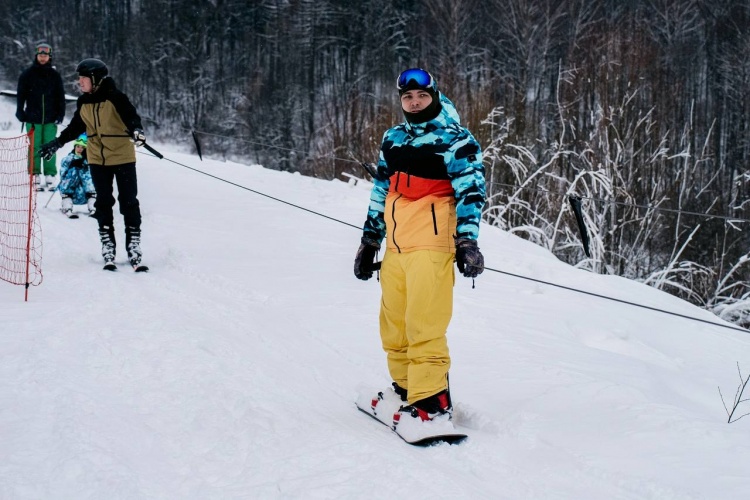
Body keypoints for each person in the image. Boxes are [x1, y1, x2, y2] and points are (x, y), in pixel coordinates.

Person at [354, 68, 486, 431]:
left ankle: (432, 402)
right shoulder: (393, 138)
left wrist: (467, 241)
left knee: (424, 323)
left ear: (435, 96)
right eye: (408, 98)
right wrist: (369, 241)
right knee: (393, 325)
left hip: (431, 243)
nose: (414, 102)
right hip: (397, 247)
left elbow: (471, 193)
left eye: (421, 96)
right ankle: (407, 387)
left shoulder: (456, 140)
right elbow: (381, 191)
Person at [38, 58, 147, 269]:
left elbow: (132, 117)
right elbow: (76, 126)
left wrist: (137, 131)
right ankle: (108, 246)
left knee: (128, 201)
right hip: (97, 159)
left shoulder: (116, 98)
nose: (80, 82)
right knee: (103, 202)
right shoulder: (83, 101)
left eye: (83, 78)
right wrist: (57, 143)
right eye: (79, 78)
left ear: (95, 79)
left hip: (122, 157)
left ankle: (133, 245)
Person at [16, 43, 66, 191]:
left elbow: (60, 96)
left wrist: (61, 113)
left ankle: (50, 175)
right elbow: (21, 95)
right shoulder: (27, 74)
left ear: (49, 57)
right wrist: (20, 110)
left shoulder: (54, 75)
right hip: (33, 119)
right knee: (34, 146)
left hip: (50, 118)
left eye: (45, 56)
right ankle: (34, 174)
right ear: (36, 56)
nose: (43, 58)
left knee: (50, 146)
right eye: (40, 55)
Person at [59, 134, 97, 217]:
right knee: (71, 173)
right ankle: (67, 207)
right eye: (78, 146)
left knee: (90, 175)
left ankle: (93, 207)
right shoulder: (68, 159)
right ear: (74, 147)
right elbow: (62, 175)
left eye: (82, 147)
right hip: (71, 191)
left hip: (85, 192)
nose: (80, 149)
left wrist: (84, 166)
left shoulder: (89, 161)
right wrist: (72, 165)